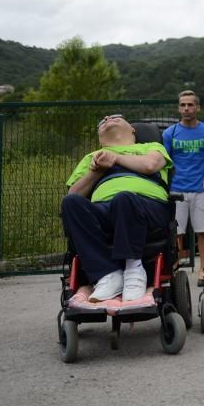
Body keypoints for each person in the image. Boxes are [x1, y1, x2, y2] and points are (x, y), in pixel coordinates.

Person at [61, 114, 172, 304]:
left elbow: (150, 165)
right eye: (102, 121)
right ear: (100, 139)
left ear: (133, 130)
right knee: (70, 203)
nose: (106, 118)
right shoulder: (91, 158)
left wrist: (116, 158)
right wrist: (96, 171)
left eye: (115, 117)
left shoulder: (151, 147)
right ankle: (108, 274)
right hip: (105, 210)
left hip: (147, 207)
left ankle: (134, 269)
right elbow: (75, 192)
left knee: (124, 198)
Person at [163, 90, 204, 286]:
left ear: (198, 107)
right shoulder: (170, 133)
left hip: (202, 188)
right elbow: (165, 159)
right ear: (179, 108)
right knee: (175, 233)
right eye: (183, 105)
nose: (186, 108)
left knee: (203, 231)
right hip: (177, 189)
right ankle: (175, 269)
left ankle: (203, 271)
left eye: (190, 105)